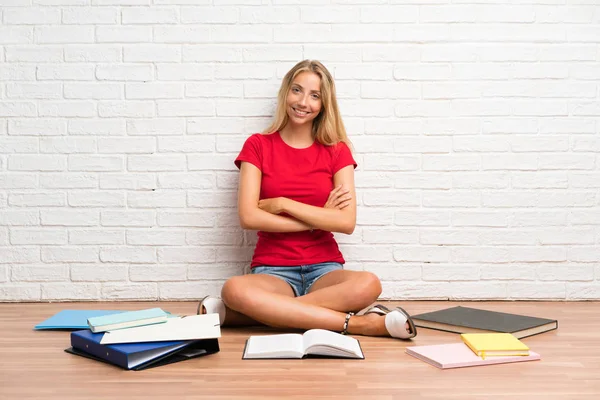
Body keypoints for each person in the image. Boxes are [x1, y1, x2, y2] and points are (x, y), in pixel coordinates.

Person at [198, 60, 416, 339]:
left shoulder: (337, 151)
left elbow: (346, 222)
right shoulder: (258, 145)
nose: (303, 102)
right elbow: (249, 217)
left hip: (325, 269)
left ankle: (254, 315)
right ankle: (360, 325)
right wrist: (318, 219)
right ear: (285, 93)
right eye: (297, 90)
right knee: (233, 290)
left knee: (369, 284)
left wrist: (283, 204)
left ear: (324, 104)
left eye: (315, 95)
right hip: (273, 270)